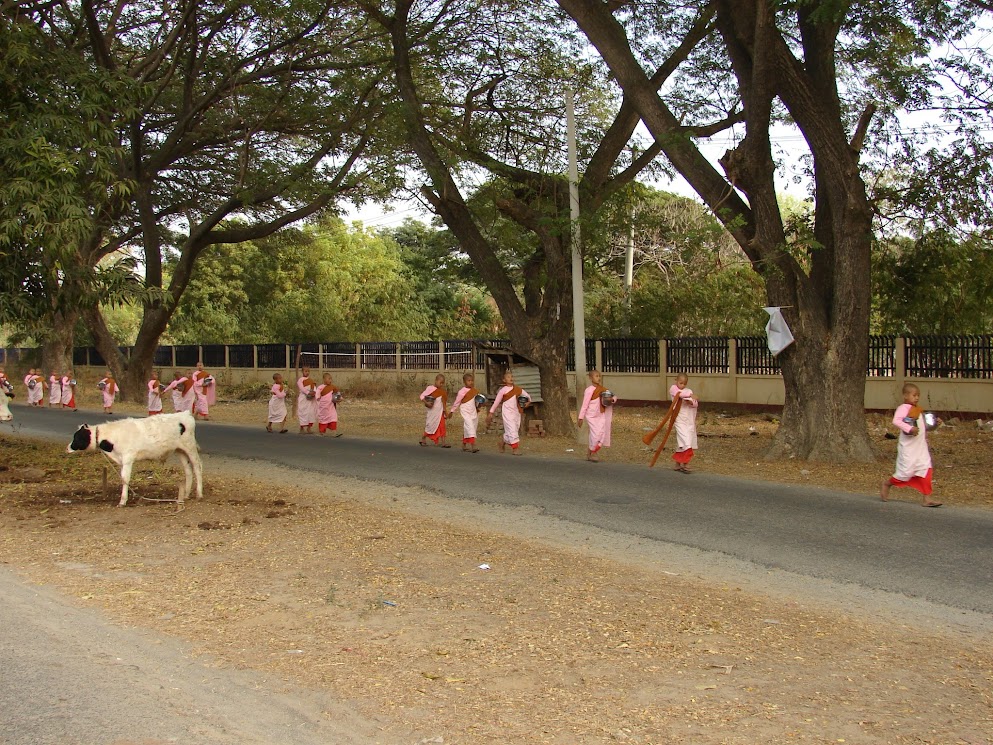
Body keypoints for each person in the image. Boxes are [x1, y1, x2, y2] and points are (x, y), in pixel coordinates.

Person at [881, 383, 942, 507]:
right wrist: (909, 429)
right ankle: (887, 483)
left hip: (921, 447)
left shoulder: (918, 410)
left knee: (925, 469)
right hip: (908, 448)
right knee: (905, 473)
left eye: (918, 395)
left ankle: (927, 498)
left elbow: (924, 427)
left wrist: (936, 424)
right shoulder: (903, 408)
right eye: (914, 395)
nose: (917, 398)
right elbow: (896, 421)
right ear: (905, 395)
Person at [486, 369, 531, 455]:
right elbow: (496, 402)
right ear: (504, 380)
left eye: (512, 377)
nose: (511, 378)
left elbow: (527, 396)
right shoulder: (503, 390)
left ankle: (502, 443)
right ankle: (515, 449)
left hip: (516, 412)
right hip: (507, 412)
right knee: (512, 429)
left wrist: (528, 402)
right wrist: (491, 412)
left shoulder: (517, 389)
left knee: (513, 429)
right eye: (508, 377)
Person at [578, 369, 617, 462]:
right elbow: (585, 404)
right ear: (591, 378)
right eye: (596, 376)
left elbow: (614, 396)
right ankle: (593, 452)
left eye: (599, 376)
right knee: (595, 434)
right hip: (591, 415)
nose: (598, 378)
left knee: (601, 433)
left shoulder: (603, 390)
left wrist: (612, 400)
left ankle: (590, 452)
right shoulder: (589, 390)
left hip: (601, 415)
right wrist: (580, 417)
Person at [669, 373, 699, 473]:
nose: (682, 385)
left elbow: (695, 403)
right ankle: (686, 463)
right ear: (676, 381)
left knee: (684, 441)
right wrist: (690, 395)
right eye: (680, 383)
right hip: (679, 419)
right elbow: (679, 394)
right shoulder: (673, 388)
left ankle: (678, 464)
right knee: (685, 440)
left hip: (689, 420)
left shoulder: (689, 391)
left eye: (684, 384)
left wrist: (691, 402)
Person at [449, 372, 482, 452]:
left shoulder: (475, 391)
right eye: (469, 381)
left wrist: (479, 406)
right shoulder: (462, 392)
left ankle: (464, 444)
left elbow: (477, 401)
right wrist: (452, 411)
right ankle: (473, 445)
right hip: (465, 410)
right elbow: (457, 402)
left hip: (473, 411)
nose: (471, 382)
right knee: (469, 426)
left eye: (472, 380)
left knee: (471, 427)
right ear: (464, 382)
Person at [419, 373, 450, 447]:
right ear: (436, 381)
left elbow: (443, 402)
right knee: (430, 425)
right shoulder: (430, 388)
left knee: (442, 426)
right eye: (440, 382)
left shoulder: (442, 392)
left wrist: (445, 411)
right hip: (432, 412)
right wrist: (426, 403)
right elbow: (422, 396)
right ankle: (423, 438)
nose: (441, 384)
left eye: (443, 383)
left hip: (440, 412)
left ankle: (443, 442)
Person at [296, 366, 318, 434]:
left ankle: (309, 428)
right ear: (302, 372)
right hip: (303, 398)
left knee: (311, 413)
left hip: (311, 399)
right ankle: (302, 428)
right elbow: (302, 388)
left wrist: (314, 392)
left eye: (308, 371)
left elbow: (314, 388)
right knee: (303, 412)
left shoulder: (311, 380)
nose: (307, 372)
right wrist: (308, 392)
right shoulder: (300, 380)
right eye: (305, 371)